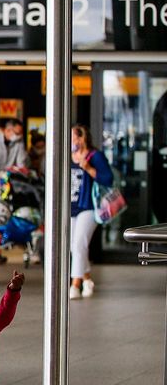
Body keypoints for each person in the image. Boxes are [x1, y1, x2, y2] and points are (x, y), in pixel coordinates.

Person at [69, 123, 113, 300]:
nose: (71, 140)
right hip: (71, 207)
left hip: (89, 207)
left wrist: (88, 168)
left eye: (74, 137)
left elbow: (108, 179)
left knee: (80, 243)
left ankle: (75, 284)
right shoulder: (68, 156)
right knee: (74, 246)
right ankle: (87, 279)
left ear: (82, 138)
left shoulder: (95, 156)